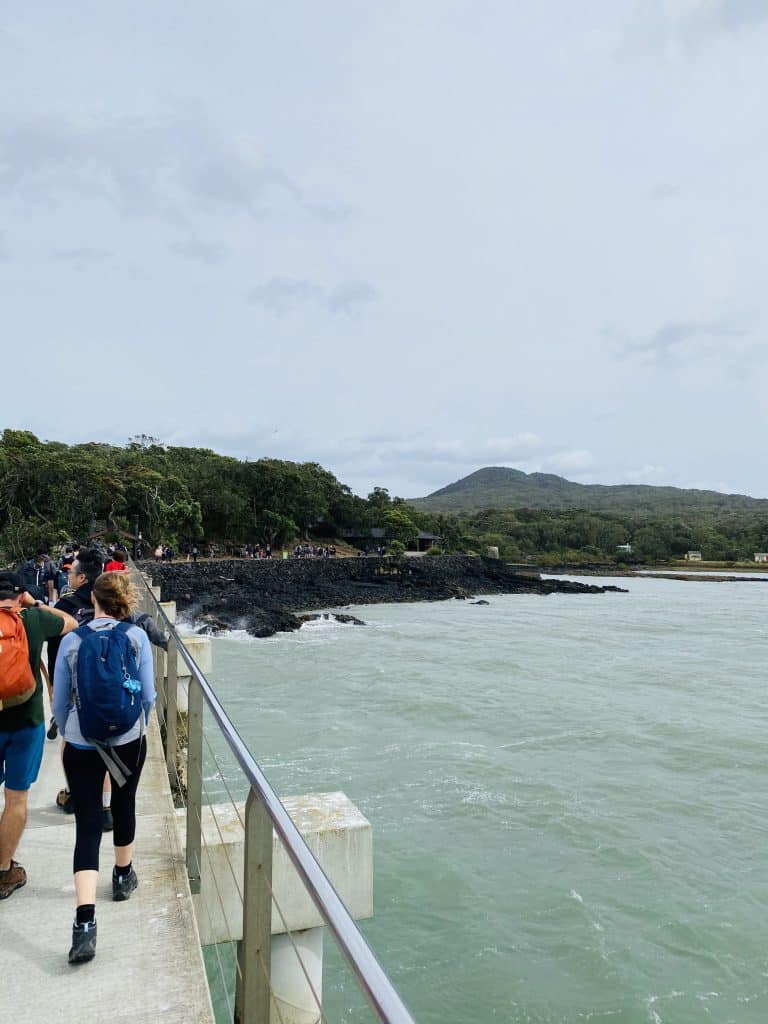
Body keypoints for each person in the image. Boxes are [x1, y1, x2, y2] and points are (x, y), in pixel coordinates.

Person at [53, 571, 155, 964]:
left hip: (82, 741)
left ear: (92, 601)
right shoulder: (137, 637)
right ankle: (122, 877)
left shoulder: (72, 640)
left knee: (88, 825)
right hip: (128, 739)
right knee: (124, 804)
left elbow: (61, 701)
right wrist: (137, 725)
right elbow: (147, 694)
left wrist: (69, 731)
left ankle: (84, 924)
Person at [0, 572, 77, 900]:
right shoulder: (32, 619)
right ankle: (4, 871)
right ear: (20, 595)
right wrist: (36, 603)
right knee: (16, 798)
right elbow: (71, 622)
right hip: (26, 721)